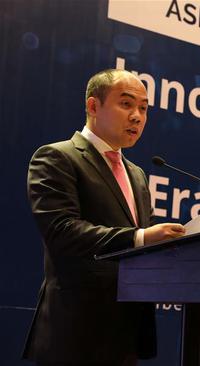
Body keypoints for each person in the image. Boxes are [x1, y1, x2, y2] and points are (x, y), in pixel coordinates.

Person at [23, 69, 186, 365]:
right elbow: (62, 231)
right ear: (93, 107)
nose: (137, 116)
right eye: (126, 104)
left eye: (144, 108)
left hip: (126, 332)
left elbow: (144, 247)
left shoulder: (137, 174)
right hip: (76, 332)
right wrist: (140, 237)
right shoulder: (57, 158)